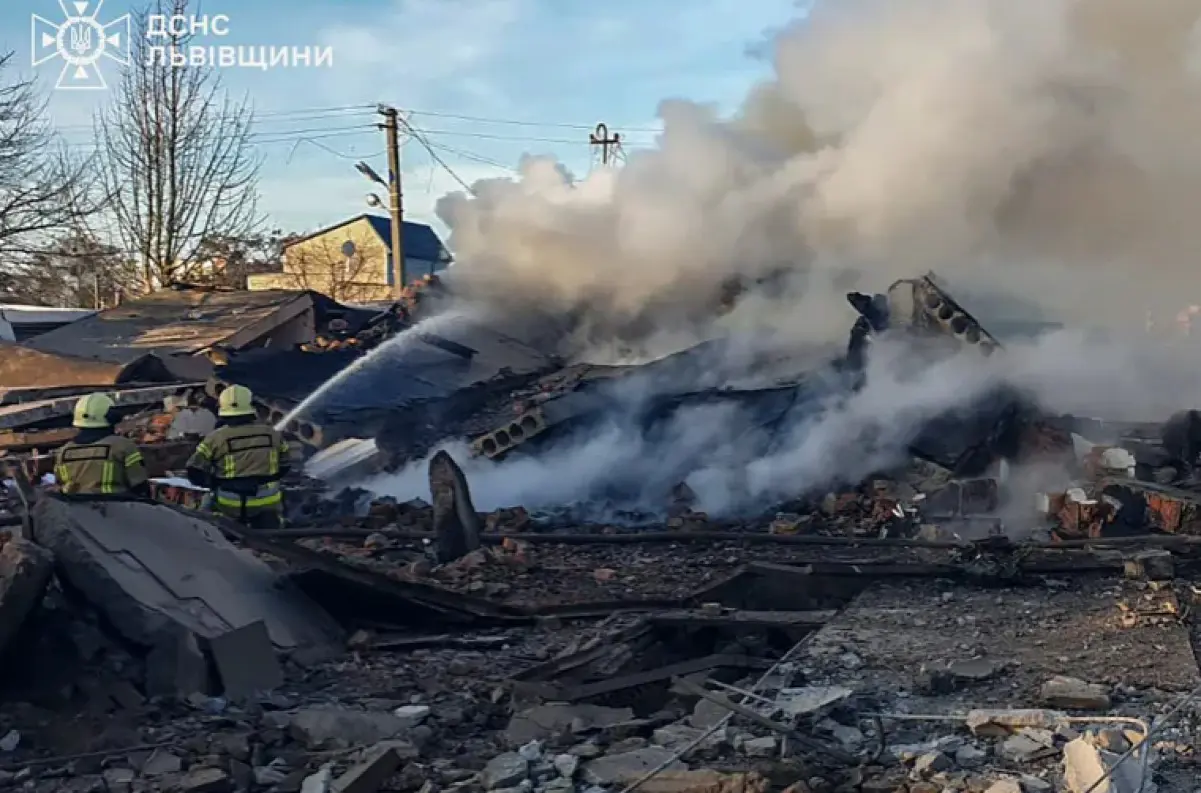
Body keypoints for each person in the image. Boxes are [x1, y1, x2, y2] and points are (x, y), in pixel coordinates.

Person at [186, 384, 290, 528]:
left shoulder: (215, 438)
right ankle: (276, 528)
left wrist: (213, 483)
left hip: (229, 501)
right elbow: (286, 464)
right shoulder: (272, 434)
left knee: (207, 505)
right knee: (277, 509)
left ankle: (208, 530)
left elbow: (193, 469)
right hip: (267, 499)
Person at [54, 393, 150, 498]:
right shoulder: (123, 446)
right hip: (117, 510)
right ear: (111, 416)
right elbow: (141, 488)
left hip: (76, 512)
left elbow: (60, 486)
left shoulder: (63, 452)